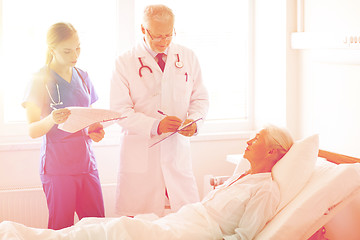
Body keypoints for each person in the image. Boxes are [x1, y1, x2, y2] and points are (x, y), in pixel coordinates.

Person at [0, 125, 294, 240]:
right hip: (183, 221)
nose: (248, 140)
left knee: (120, 229)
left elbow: (244, 236)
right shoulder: (242, 176)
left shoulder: (265, 189)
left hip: (196, 233)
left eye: (256, 139)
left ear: (272, 152)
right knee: (95, 226)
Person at [110, 4, 209, 217]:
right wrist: (155, 125)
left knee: (187, 221)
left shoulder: (187, 57)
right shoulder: (124, 62)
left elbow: (200, 99)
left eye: (168, 35)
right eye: (157, 36)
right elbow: (119, 110)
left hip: (176, 151)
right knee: (139, 225)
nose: (164, 42)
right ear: (143, 30)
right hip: (141, 152)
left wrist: (194, 122)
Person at [21, 22, 105, 230]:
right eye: (67, 50)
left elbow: (89, 119)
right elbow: (32, 130)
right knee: (61, 229)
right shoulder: (39, 79)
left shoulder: (83, 76)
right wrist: (51, 119)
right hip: (58, 167)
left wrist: (96, 130)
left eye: (78, 47)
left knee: (97, 227)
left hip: (86, 165)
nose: (75, 54)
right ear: (52, 50)